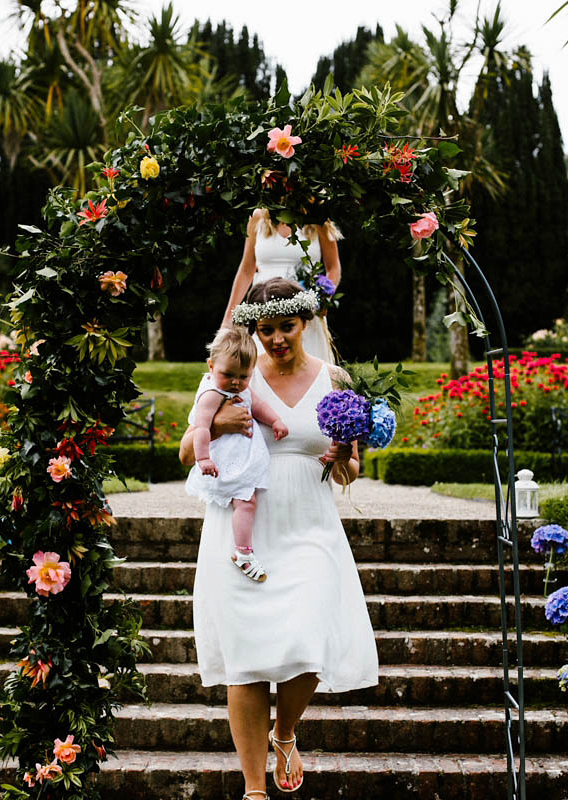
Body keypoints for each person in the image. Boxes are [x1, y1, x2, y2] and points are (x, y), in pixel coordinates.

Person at [180, 278, 377, 800]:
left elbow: (351, 470)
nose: (276, 339)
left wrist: (343, 460)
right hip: (243, 528)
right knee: (245, 661)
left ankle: (284, 732)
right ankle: (252, 788)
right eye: (265, 329)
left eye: (286, 327)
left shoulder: (334, 378)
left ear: (305, 323)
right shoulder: (235, 373)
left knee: (309, 639)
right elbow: (186, 452)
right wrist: (218, 424)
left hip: (309, 524)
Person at [184, 326, 289, 582]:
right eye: (228, 374)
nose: (235, 382)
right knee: (246, 503)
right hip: (222, 461)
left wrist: (275, 421)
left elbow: (258, 405)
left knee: (248, 502)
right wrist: (203, 459)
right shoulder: (211, 395)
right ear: (210, 366)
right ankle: (243, 552)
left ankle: (244, 550)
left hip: (240, 457)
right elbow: (200, 429)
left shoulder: (241, 389)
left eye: (243, 376)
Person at [221, 208, 342, 363]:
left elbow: (333, 268)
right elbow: (246, 270)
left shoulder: (317, 218)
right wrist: (228, 319)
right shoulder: (258, 217)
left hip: (304, 314)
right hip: (263, 312)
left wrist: (322, 299)